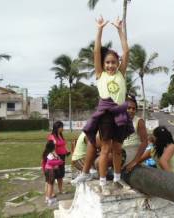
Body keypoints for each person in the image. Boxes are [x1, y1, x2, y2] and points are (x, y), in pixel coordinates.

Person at [77, 16, 133, 193]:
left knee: (117, 149)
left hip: (121, 113)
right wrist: (99, 29)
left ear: (118, 64)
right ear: (103, 64)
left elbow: (126, 52)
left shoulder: (121, 74)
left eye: (113, 62)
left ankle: (117, 179)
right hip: (106, 115)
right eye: (107, 62)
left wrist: (119, 29)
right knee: (106, 148)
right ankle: (102, 183)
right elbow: (96, 52)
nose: (110, 65)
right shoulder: (100, 75)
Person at [47, 121, 70, 194]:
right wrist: (57, 157)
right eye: (61, 127)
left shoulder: (61, 135)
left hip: (62, 157)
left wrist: (67, 151)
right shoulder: (52, 136)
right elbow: (52, 148)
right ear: (57, 128)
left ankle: (60, 190)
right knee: (54, 174)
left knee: (61, 174)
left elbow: (63, 145)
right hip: (55, 158)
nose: (63, 128)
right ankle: (52, 191)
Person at [42, 140, 63, 206]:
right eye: (55, 145)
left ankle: (47, 198)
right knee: (51, 185)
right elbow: (50, 162)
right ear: (53, 147)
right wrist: (59, 162)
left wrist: (57, 158)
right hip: (50, 170)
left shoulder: (50, 153)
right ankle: (49, 199)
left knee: (49, 184)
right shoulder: (50, 154)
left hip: (47, 170)